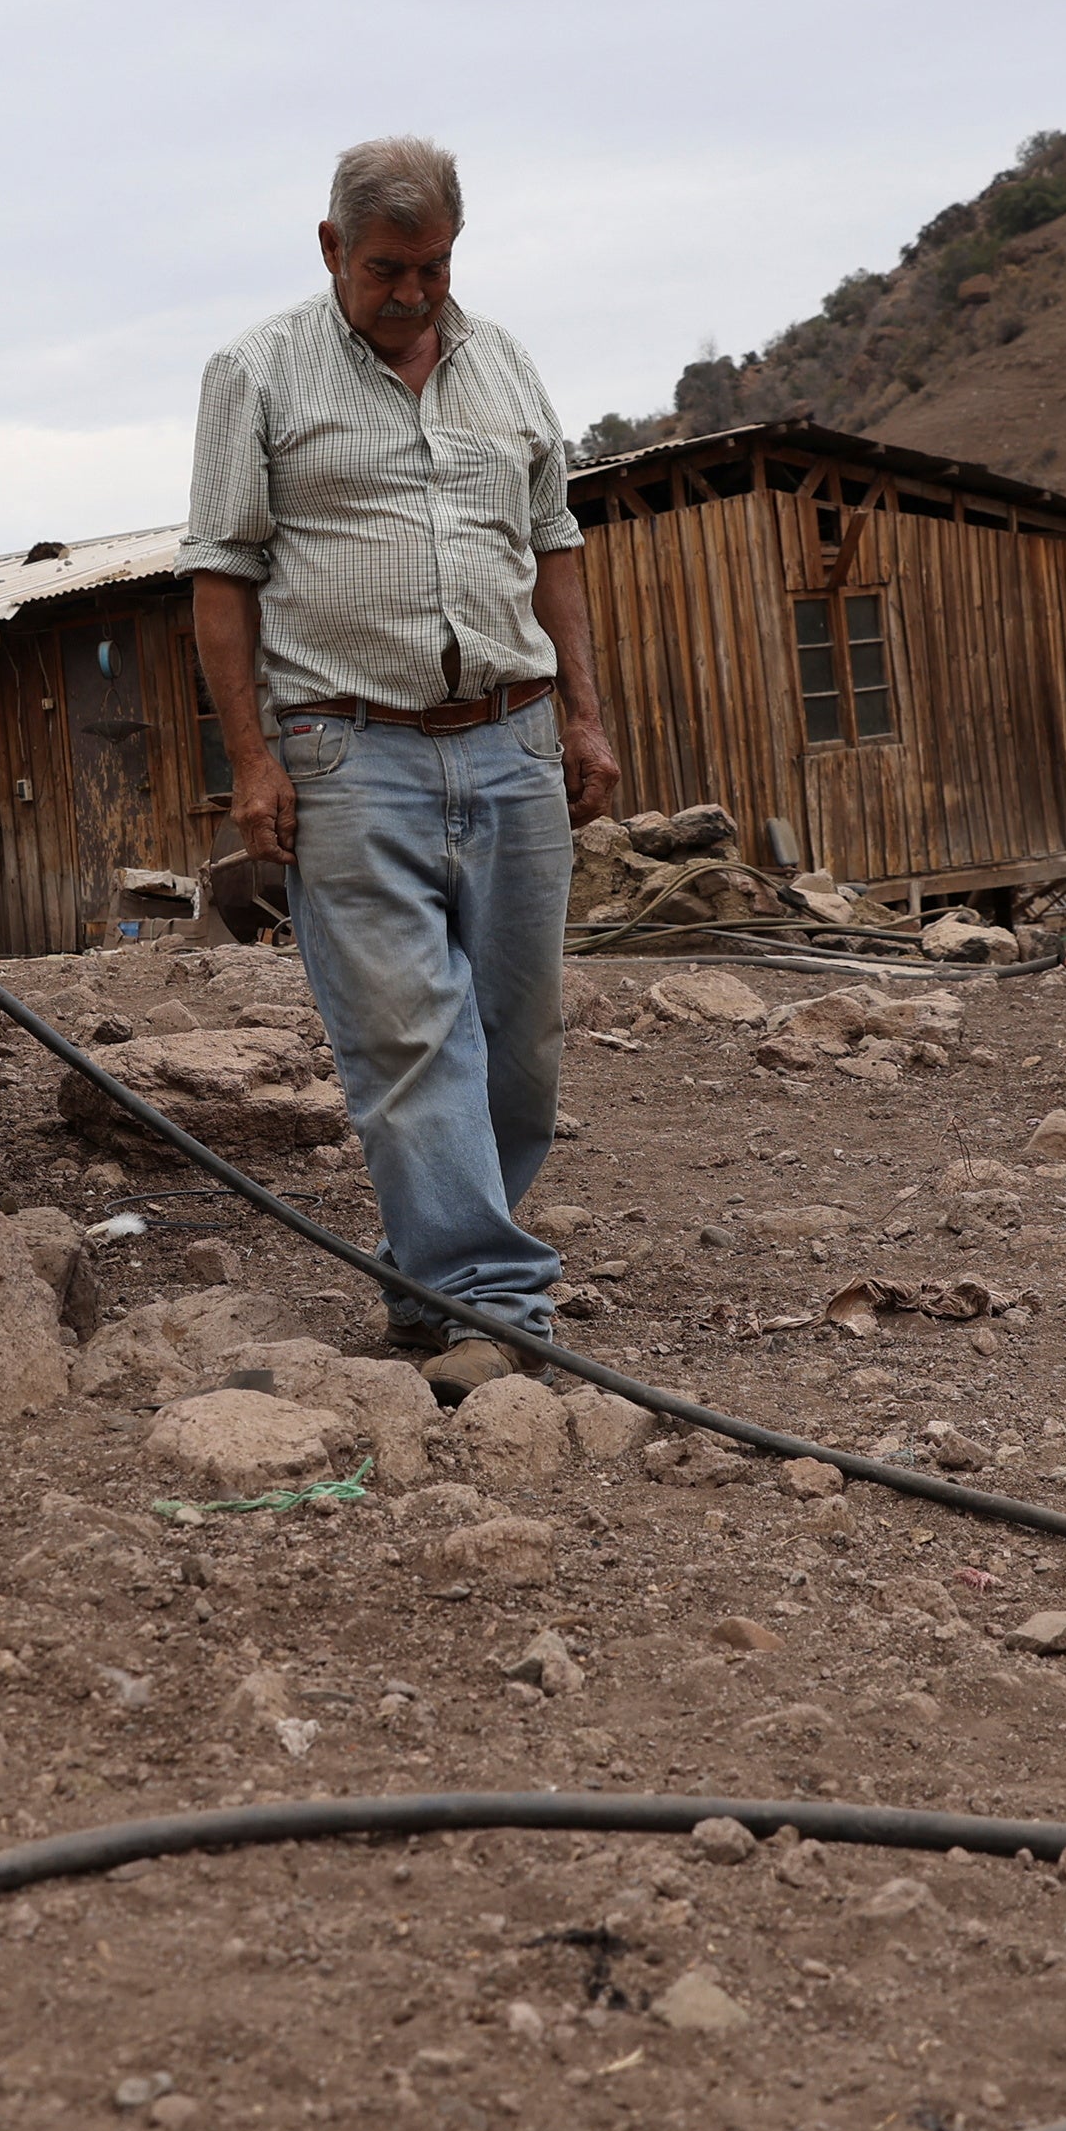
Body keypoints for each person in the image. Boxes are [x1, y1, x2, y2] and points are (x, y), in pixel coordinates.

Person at [180, 137, 623, 1374]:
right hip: (346, 745)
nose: (414, 293)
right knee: (408, 1035)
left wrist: (584, 716)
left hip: (512, 738)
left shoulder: (506, 363)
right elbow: (221, 575)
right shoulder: (256, 371)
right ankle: (492, 1300)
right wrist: (252, 760)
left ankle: (437, 1286)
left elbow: (556, 542)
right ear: (331, 248)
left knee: (517, 1039)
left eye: (432, 266)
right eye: (387, 267)